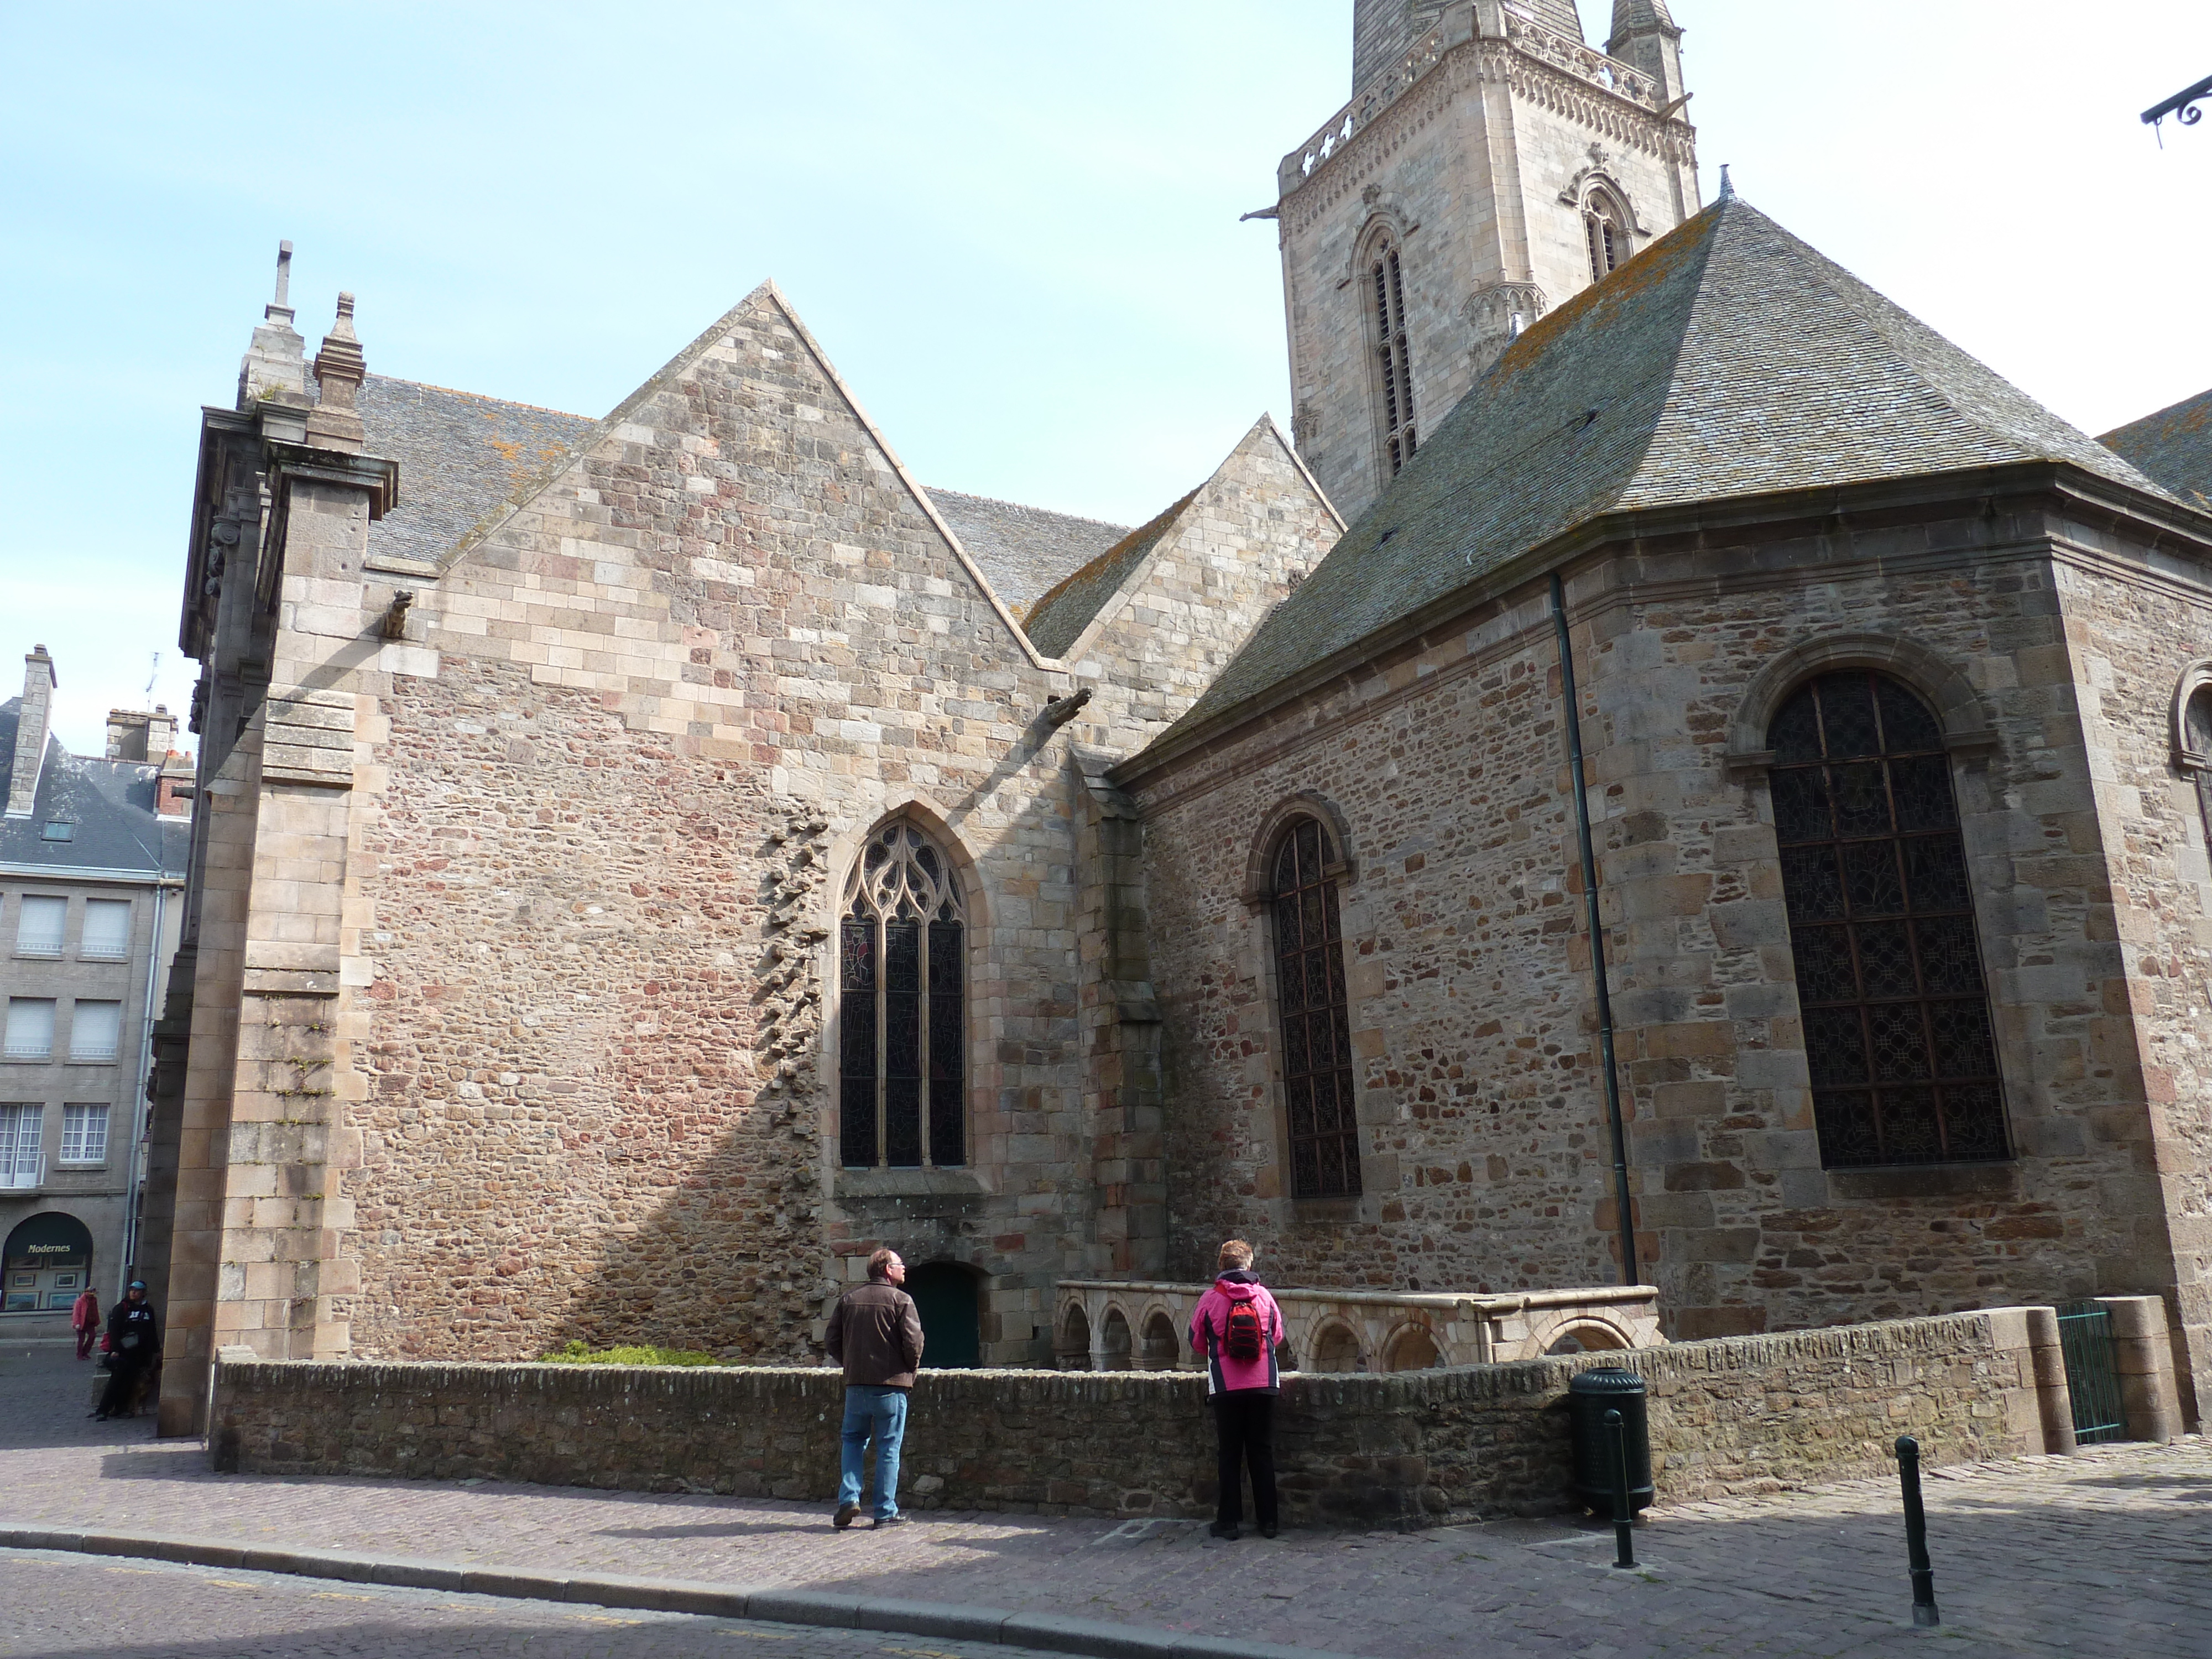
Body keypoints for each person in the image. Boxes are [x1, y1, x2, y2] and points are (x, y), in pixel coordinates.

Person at [1189, 1238, 1284, 1541]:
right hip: (1264, 1382)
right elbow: (1278, 1336)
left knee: (1229, 1453)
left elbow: (1195, 1340)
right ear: (1249, 1264)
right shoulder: (1265, 1297)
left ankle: (1228, 1522)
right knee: (1262, 1452)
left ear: (1222, 1266)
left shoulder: (1210, 1298)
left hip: (1226, 1386)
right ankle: (1269, 1522)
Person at [823, 1248, 924, 1530]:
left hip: (857, 1386)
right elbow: (914, 1343)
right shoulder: (901, 1300)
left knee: (853, 1441)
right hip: (891, 1386)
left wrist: (851, 1364)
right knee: (889, 1448)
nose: (904, 1268)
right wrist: (908, 1370)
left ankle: (849, 1499)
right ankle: (885, 1512)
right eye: (899, 1264)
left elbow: (832, 1339)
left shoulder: (849, 1300)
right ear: (887, 1270)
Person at [93, 1280, 158, 1421]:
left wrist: (154, 1349)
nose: (134, 1293)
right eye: (132, 1290)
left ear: (143, 1293)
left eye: (137, 1290)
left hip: (139, 1352)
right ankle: (103, 1410)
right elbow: (114, 1331)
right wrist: (115, 1350)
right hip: (123, 1351)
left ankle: (120, 1409)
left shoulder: (148, 1309)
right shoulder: (122, 1308)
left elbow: (152, 1330)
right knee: (116, 1380)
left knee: (129, 1382)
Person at [70, 1286, 101, 1361]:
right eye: (90, 1292)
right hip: (82, 1322)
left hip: (90, 1322)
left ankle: (85, 1352)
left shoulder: (94, 1300)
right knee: (81, 1339)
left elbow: (95, 1311)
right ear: (86, 1292)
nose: (91, 1294)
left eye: (93, 1292)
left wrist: (97, 1320)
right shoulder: (80, 1301)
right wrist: (77, 1323)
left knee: (92, 1336)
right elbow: (76, 1313)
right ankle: (80, 1355)